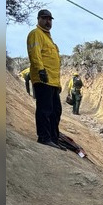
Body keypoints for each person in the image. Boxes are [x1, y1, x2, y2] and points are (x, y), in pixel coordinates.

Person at [26, 9, 61, 146]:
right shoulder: (36, 34)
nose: (48, 21)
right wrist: (40, 70)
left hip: (53, 81)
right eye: (45, 18)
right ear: (39, 19)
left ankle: (53, 139)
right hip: (43, 78)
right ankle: (44, 137)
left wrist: (58, 84)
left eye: (50, 19)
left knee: (56, 111)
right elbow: (35, 53)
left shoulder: (49, 39)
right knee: (45, 109)